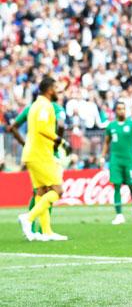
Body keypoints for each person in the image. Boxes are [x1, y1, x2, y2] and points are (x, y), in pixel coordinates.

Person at [8, 86, 68, 239]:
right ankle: (30, 220)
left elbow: (12, 127)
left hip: (33, 153)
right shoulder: (54, 107)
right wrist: (58, 142)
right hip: (48, 154)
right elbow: (61, 126)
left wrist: (25, 144)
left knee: (40, 192)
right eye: (57, 90)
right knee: (55, 190)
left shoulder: (31, 108)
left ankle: (41, 231)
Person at [100, 102, 132, 225]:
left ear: (126, 110)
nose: (121, 111)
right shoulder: (111, 126)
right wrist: (103, 157)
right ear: (115, 111)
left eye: (123, 109)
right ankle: (119, 215)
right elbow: (106, 143)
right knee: (117, 186)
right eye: (119, 109)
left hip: (129, 160)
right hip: (115, 161)